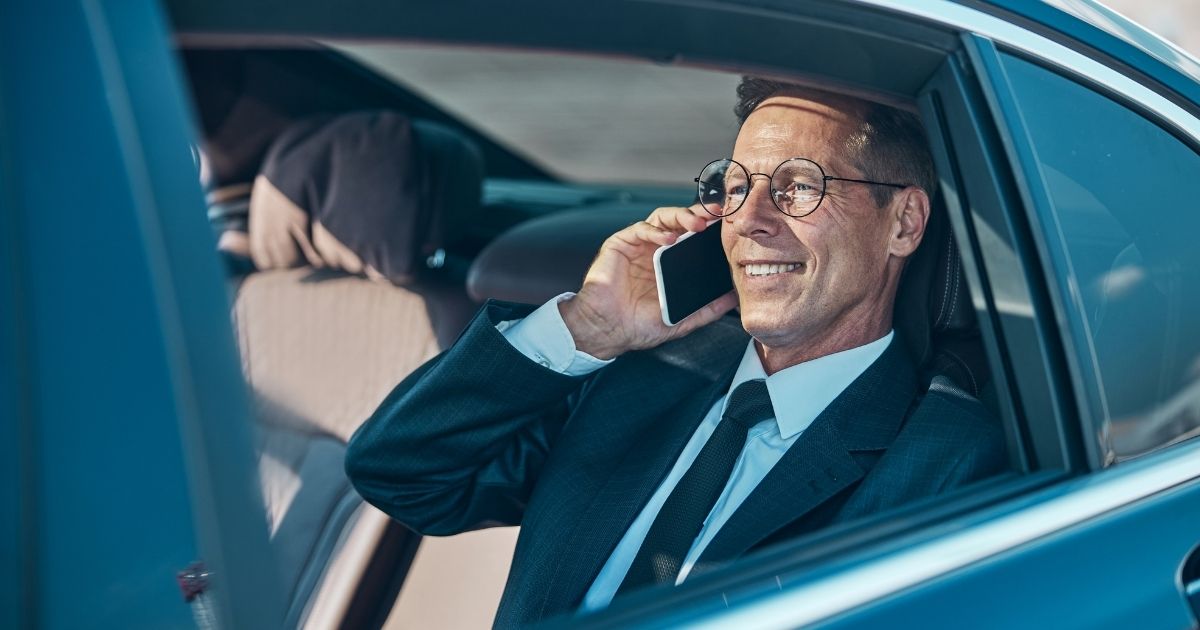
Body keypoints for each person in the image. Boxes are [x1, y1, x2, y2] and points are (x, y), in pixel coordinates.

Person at [344, 77, 1006, 628]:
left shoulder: (944, 461)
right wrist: (587, 328)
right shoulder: (644, 375)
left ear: (904, 223)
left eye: (799, 186)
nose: (749, 220)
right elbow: (399, 471)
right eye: (736, 186)